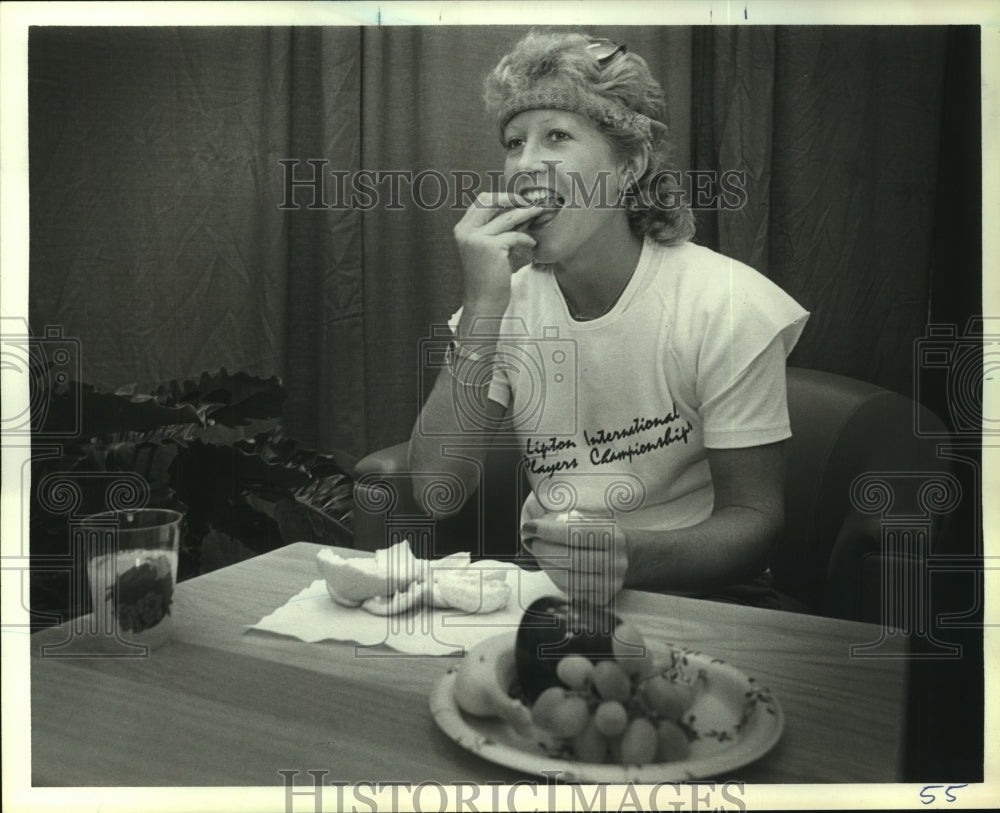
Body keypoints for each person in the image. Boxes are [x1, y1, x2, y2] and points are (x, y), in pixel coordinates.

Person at [408, 31, 809, 608]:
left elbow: (755, 521)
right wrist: (483, 308)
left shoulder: (726, 302)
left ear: (630, 165)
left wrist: (631, 554)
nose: (525, 164)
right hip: (550, 592)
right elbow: (436, 492)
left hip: (701, 595)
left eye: (557, 137)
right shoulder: (504, 305)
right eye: (514, 141)